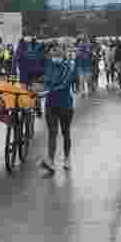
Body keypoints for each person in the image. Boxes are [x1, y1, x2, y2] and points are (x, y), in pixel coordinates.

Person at [39, 42, 78, 173]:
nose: (54, 57)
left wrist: (47, 92)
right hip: (51, 105)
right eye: (53, 55)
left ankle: (67, 159)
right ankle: (50, 161)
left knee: (65, 132)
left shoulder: (69, 68)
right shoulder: (49, 67)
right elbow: (45, 80)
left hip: (66, 105)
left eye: (57, 55)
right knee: (52, 133)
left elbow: (65, 85)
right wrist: (36, 85)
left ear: (62, 56)